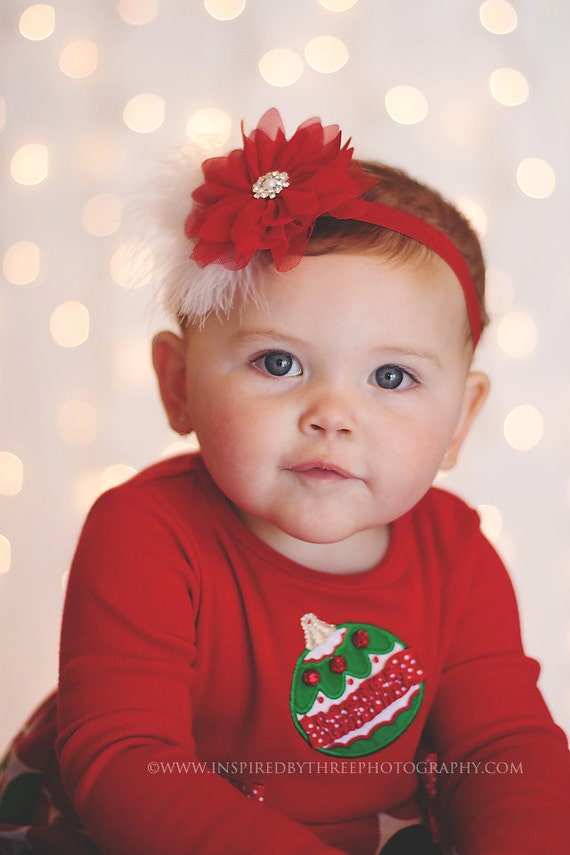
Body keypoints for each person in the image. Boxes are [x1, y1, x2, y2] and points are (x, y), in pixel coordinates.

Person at [1, 108, 569, 855]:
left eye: (391, 376)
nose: (332, 415)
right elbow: (130, 761)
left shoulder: (455, 553)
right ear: (178, 384)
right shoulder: (147, 531)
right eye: (278, 362)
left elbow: (504, 748)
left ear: (461, 419)